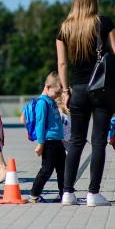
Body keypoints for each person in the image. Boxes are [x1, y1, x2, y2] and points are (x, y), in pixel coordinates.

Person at [56, 0, 115, 207]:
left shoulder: (64, 28)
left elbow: (62, 63)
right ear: (93, 0)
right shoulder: (103, 23)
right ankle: (93, 193)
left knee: (76, 141)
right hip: (101, 90)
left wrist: (65, 90)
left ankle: (67, 193)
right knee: (98, 142)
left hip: (77, 90)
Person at [27, 72, 66, 203]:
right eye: (57, 92)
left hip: (57, 141)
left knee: (63, 169)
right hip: (49, 142)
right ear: (47, 87)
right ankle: (34, 194)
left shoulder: (51, 101)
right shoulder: (42, 103)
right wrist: (41, 143)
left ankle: (64, 193)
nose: (58, 95)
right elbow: (40, 124)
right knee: (47, 169)